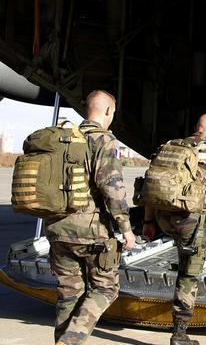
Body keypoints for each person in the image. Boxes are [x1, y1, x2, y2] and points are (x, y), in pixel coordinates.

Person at [46, 90, 136, 345]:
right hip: (90, 233)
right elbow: (112, 188)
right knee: (106, 288)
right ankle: (71, 341)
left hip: (57, 228)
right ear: (108, 111)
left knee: (68, 294)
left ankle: (61, 341)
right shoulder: (103, 140)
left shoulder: (62, 138)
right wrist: (126, 229)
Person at [142, 114, 206, 345]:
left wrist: (148, 222)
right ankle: (180, 334)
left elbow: (151, 185)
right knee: (188, 274)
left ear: (195, 128)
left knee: (185, 258)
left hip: (163, 217)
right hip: (188, 220)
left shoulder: (170, 146)